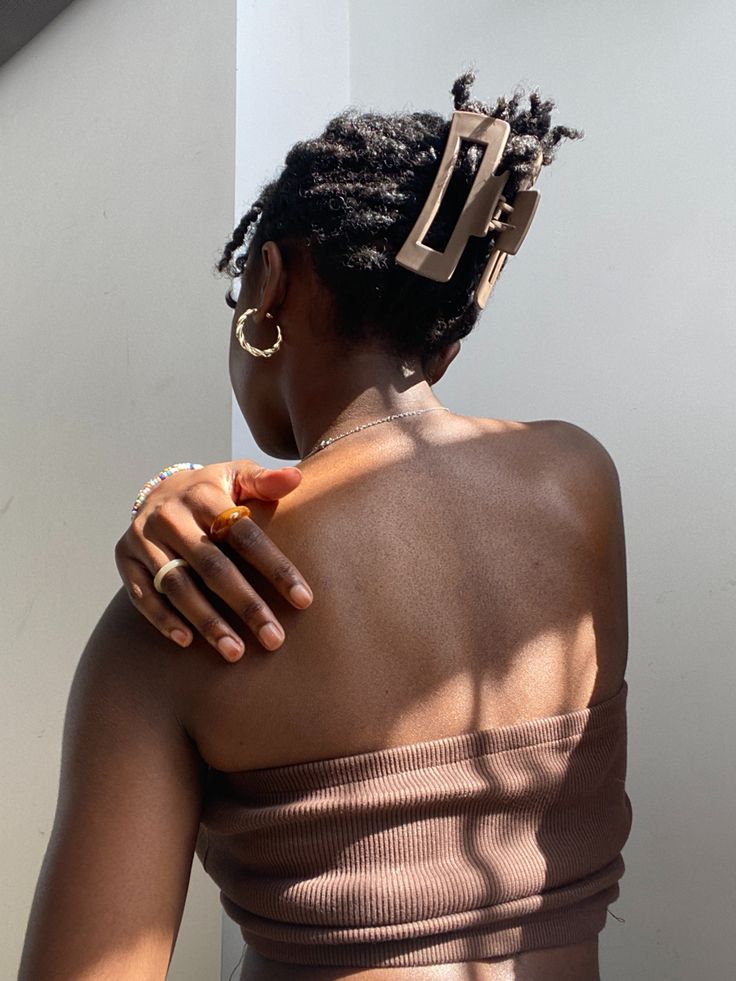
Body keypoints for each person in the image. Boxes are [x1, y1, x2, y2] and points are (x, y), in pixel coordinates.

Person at [19, 70, 632, 980]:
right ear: (448, 332)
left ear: (269, 284)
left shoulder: (189, 607)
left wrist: (174, 490)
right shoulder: (580, 483)